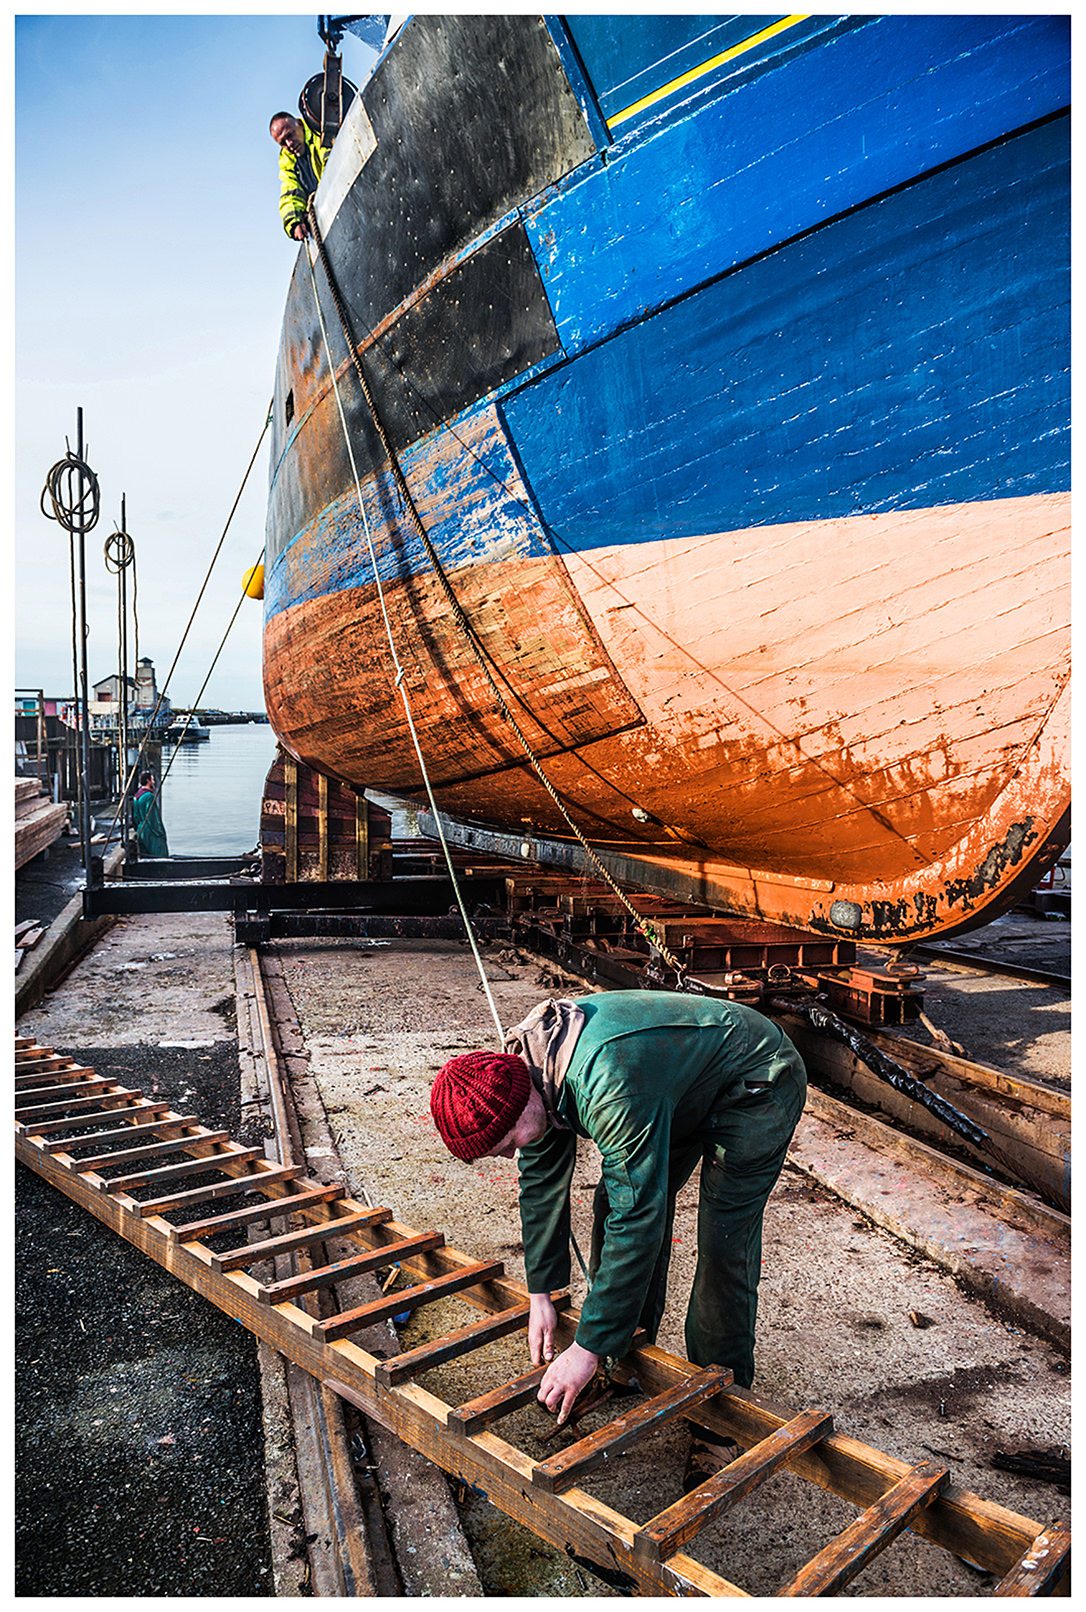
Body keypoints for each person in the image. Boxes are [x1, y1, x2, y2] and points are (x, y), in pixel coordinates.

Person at [429, 990, 806, 1489]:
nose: (508, 1156)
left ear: (524, 1101)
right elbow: (541, 1179)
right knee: (614, 1202)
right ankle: (630, 1352)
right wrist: (540, 1293)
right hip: (674, 1086)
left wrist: (583, 1348)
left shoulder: (607, 1084)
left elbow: (639, 1219)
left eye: (507, 1146)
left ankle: (721, 1420)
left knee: (722, 1246)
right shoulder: (523, 1071)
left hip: (755, 1079)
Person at [269, 111, 329, 240]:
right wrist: (294, 222)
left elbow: (333, 161)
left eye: (290, 135)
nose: (289, 143)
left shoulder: (320, 133)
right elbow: (289, 193)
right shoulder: (287, 163)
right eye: (283, 143)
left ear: (301, 125)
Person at [132, 772, 168, 858]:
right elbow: (152, 818)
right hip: (151, 832)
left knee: (145, 856)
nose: (154, 782)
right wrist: (160, 833)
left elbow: (135, 816)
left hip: (141, 830)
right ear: (148, 781)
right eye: (152, 780)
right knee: (159, 856)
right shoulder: (149, 796)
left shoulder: (137, 796)